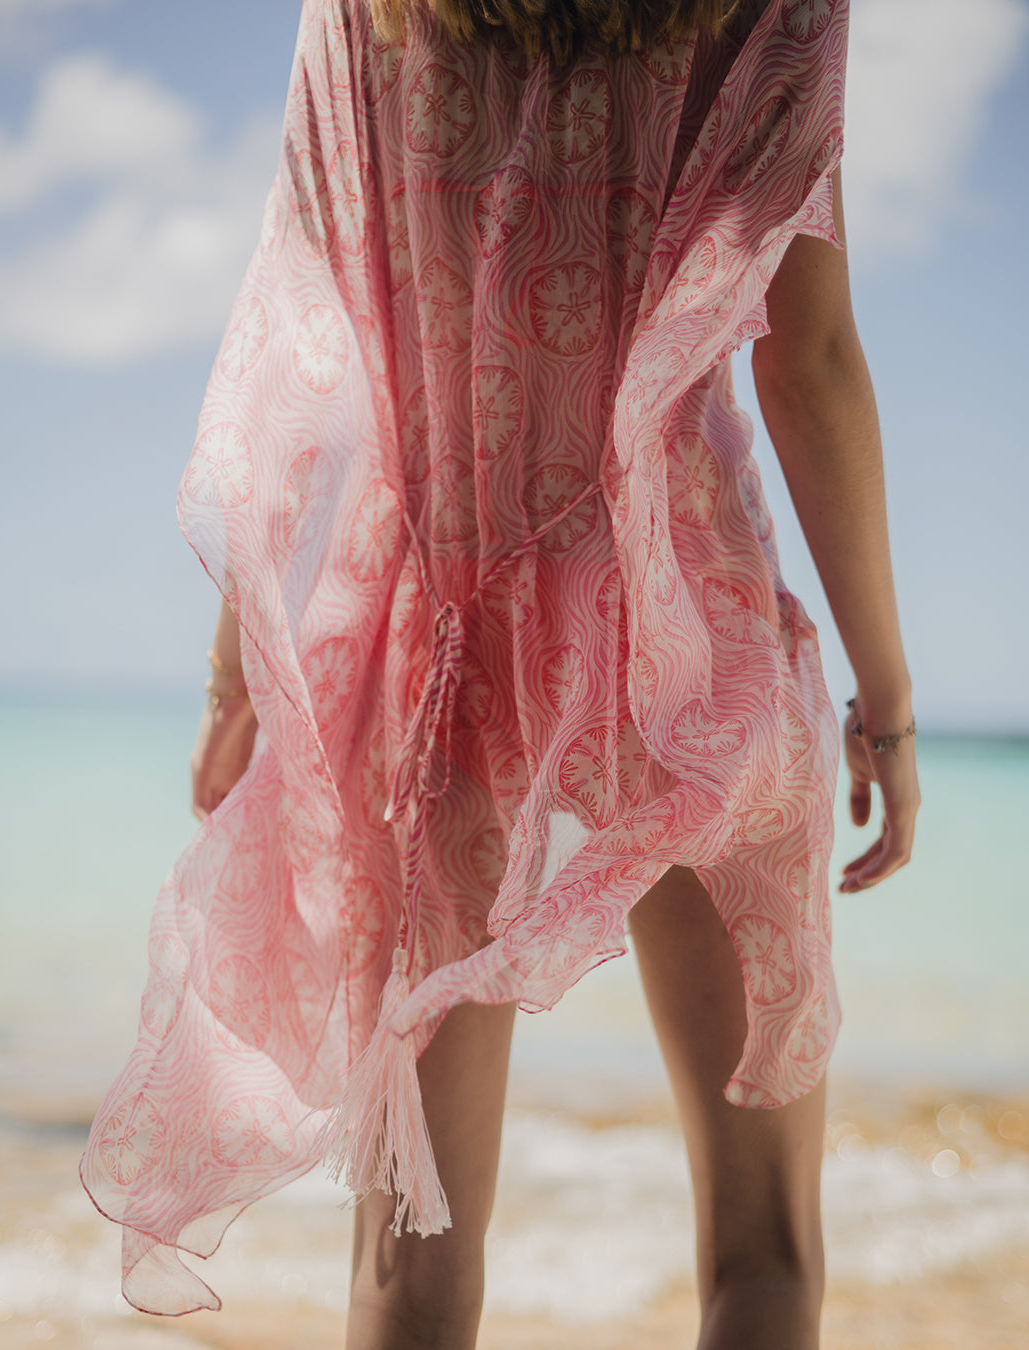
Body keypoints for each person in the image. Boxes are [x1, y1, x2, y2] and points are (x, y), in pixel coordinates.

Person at [80, 1, 921, 1347]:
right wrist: (886, 699)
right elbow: (809, 365)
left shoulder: (366, 13)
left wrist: (242, 668)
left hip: (438, 654)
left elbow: (295, 341)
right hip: (686, 630)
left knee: (410, 1266)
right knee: (761, 1250)